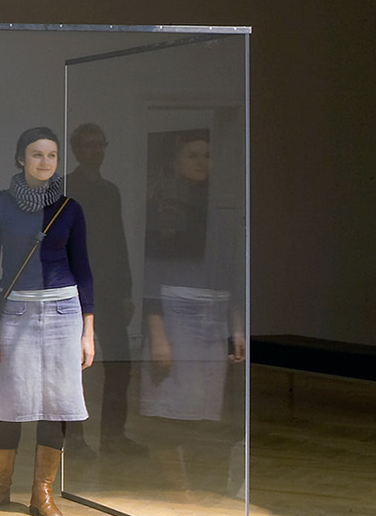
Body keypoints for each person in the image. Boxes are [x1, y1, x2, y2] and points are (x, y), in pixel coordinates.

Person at [0, 127, 96, 516]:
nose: (45, 162)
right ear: (20, 159)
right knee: (8, 401)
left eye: (52, 155)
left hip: (64, 312)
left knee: (56, 403)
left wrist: (88, 331)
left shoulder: (70, 208)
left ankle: (42, 492)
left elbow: (83, 270)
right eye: (37, 154)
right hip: (17, 313)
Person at [139, 131, 246, 491]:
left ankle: (205, 488)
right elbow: (152, 274)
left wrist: (236, 326)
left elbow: (230, 271)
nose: (201, 162)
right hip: (175, 314)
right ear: (176, 161)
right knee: (169, 407)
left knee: (205, 410)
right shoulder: (163, 207)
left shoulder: (218, 209)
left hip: (214, 314)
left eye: (206, 155)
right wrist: (158, 336)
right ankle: (179, 492)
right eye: (193, 155)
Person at [65, 123, 146, 457]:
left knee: (119, 363)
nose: (96, 150)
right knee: (74, 364)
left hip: (110, 288)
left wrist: (126, 290)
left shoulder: (111, 191)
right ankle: (73, 438)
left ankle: (113, 436)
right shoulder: (66, 188)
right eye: (89, 144)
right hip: (74, 286)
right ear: (76, 149)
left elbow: (117, 240)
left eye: (101, 144)